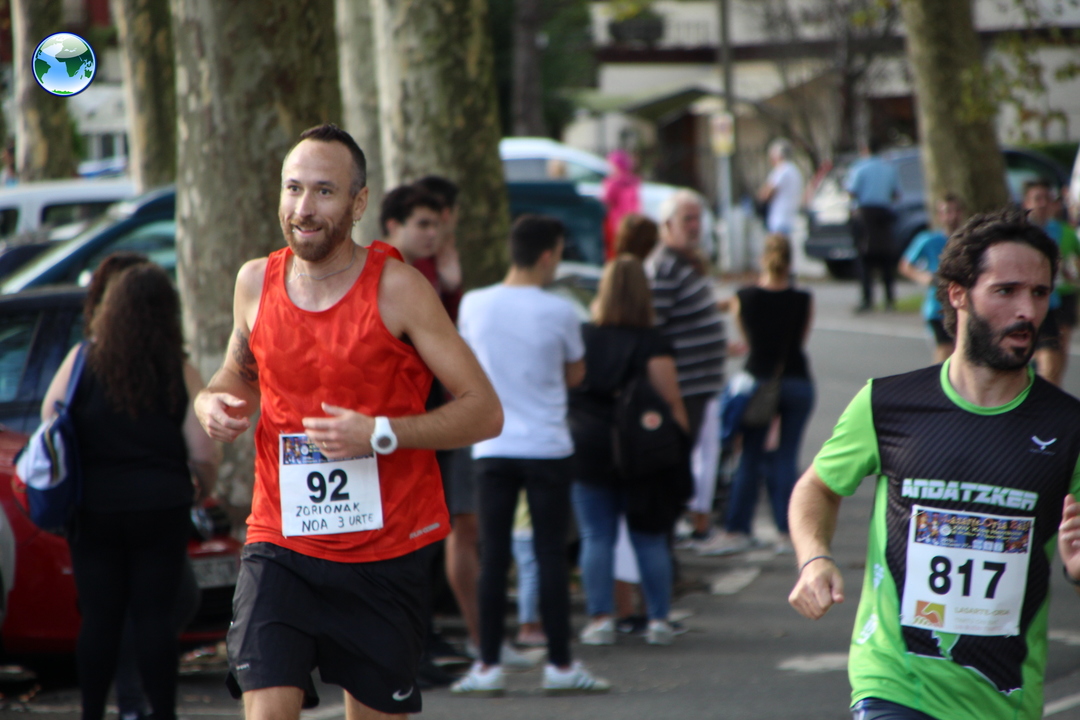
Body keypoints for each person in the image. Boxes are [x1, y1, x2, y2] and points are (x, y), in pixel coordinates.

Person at [193, 123, 503, 720]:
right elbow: (239, 372)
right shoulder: (255, 282)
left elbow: (484, 410)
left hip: (380, 554)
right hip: (279, 541)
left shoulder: (400, 289)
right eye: (293, 188)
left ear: (359, 203)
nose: (303, 208)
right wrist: (212, 400)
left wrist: (380, 432)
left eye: (324, 191)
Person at [788, 208, 1080, 720]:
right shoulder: (887, 404)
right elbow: (818, 486)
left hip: (1004, 697)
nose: (1028, 311)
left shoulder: (1068, 426)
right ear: (957, 293)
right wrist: (814, 557)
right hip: (895, 684)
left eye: (1039, 293)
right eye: (1006, 290)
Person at [42, 264, 219, 720]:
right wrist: (201, 488)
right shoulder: (179, 369)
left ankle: (92, 711)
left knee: (100, 617)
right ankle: (161, 712)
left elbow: (50, 419)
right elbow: (203, 450)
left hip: (94, 508)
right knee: (155, 617)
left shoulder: (82, 360)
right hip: (162, 507)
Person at [452, 214, 610, 696]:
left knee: (493, 556)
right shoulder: (561, 310)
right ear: (547, 255)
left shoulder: (474, 303)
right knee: (550, 555)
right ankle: (560, 665)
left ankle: (487, 665)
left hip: (492, 444)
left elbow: (463, 366)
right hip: (547, 445)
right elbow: (577, 374)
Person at [569, 255, 689, 646]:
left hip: (588, 447)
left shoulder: (583, 335)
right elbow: (671, 400)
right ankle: (658, 620)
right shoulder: (652, 341)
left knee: (596, 536)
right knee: (649, 537)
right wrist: (681, 447)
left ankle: (600, 619)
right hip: (642, 453)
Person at [702, 235, 814, 557]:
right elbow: (800, 340)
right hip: (797, 380)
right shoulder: (803, 299)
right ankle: (788, 531)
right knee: (786, 458)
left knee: (750, 457)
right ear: (790, 261)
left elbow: (749, 341)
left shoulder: (744, 297)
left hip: (759, 382)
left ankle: (737, 528)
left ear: (762, 259)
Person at [646, 190, 727, 546]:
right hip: (683, 388)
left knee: (694, 461)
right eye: (687, 220)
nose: (695, 226)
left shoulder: (684, 263)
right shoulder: (664, 267)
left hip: (699, 385)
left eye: (698, 218)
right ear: (667, 225)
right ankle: (670, 535)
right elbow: (654, 332)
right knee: (677, 463)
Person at [1024, 179, 1080, 386]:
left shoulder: (1064, 232)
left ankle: (1052, 392)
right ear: (1026, 202)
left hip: (1057, 299)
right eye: (1037, 199)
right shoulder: (1019, 234)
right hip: (1024, 304)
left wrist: (1072, 274)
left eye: (1046, 198)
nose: (1042, 204)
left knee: (1054, 357)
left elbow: (1076, 261)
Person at [899, 194, 966, 363]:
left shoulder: (968, 241)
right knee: (944, 351)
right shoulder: (928, 240)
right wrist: (924, 278)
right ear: (940, 215)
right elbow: (905, 265)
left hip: (964, 306)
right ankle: (938, 379)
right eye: (947, 212)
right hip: (937, 308)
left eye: (956, 211)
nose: (952, 216)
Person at [846, 141, 900, 312]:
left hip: (865, 214)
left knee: (864, 257)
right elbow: (896, 194)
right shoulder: (889, 168)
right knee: (886, 257)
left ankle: (867, 299)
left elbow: (851, 191)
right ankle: (889, 299)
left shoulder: (859, 168)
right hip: (884, 214)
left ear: (866, 149)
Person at [756, 139, 804, 238]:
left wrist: (761, 194)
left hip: (779, 219)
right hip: (792, 219)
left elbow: (767, 193)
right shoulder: (795, 170)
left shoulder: (782, 170)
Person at [602, 149, 641, 260]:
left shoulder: (612, 182)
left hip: (614, 220)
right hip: (630, 220)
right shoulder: (633, 181)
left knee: (614, 249)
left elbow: (606, 201)